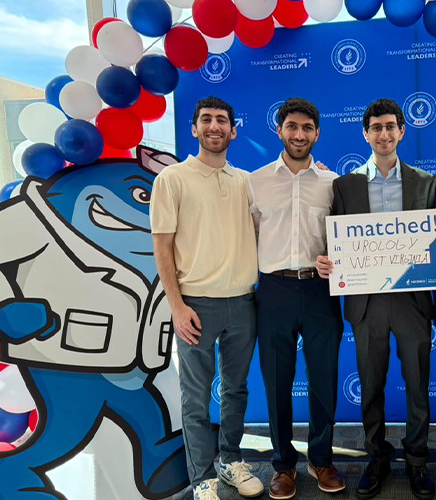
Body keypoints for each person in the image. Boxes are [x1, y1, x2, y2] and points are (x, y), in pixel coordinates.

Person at [316, 98, 436, 500]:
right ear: (365, 134)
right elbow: (336, 241)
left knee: (418, 383)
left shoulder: (424, 182)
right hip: (366, 302)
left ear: (402, 131)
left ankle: (417, 460)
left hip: (412, 301)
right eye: (376, 127)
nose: (383, 134)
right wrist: (330, 261)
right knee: (371, 384)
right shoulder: (344, 186)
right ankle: (377, 457)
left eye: (390, 126)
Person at [150, 96, 264, 500]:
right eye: (206, 120)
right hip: (195, 304)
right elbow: (161, 247)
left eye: (222, 120)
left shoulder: (247, 181)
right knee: (195, 397)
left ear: (233, 130)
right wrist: (177, 306)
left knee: (236, 389)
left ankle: (230, 460)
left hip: (244, 302)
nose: (214, 126)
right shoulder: (172, 179)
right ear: (195, 129)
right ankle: (202, 478)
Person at [248, 98, 345, 500]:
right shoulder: (254, 182)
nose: (299, 134)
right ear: (280, 130)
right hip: (273, 290)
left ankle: (320, 459)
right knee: (276, 382)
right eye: (292, 126)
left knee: (324, 379)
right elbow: (249, 236)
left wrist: (337, 261)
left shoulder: (333, 182)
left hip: (320, 291)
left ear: (317, 133)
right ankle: (283, 465)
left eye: (307, 127)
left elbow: (345, 240)